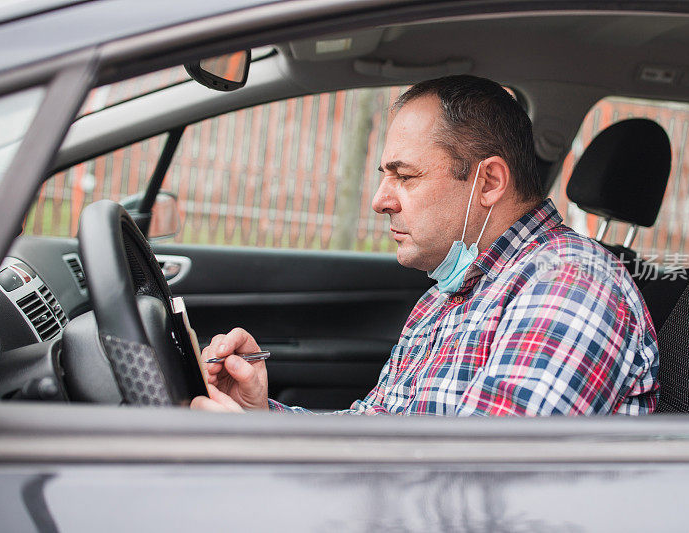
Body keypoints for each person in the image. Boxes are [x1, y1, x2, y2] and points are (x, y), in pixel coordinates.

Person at [190, 75, 659, 416]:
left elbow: (480, 486)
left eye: (406, 176)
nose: (379, 201)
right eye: (384, 176)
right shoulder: (449, 291)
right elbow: (374, 435)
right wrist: (262, 421)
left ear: (489, 181)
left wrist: (264, 456)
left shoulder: (571, 287)